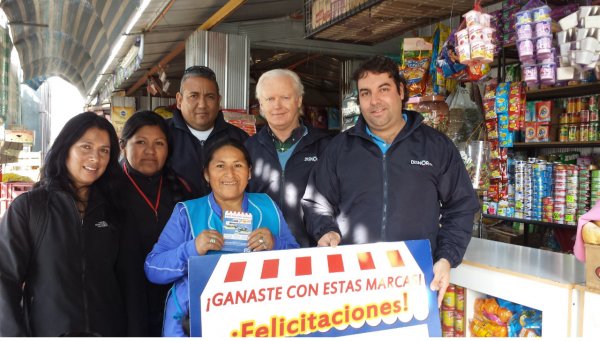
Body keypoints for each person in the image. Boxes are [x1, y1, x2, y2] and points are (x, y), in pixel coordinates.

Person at [301, 56, 480, 307]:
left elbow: (461, 206)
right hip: (352, 280)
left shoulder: (436, 147)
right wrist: (325, 230)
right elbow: (315, 201)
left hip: (414, 279)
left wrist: (446, 258)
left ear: (401, 91)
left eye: (383, 89)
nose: (374, 101)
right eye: (365, 93)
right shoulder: (339, 149)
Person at [145, 138, 299, 336]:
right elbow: (153, 268)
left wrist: (276, 244)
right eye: (220, 166)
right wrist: (192, 249)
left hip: (256, 323)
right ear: (206, 174)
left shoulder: (267, 206)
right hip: (192, 322)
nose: (230, 174)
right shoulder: (187, 212)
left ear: (249, 172)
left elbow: (297, 261)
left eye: (238, 165)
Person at [0, 112, 126, 336]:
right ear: (65, 148)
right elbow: (5, 279)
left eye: (104, 151)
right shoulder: (30, 208)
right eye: (86, 147)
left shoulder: (114, 210)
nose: (95, 158)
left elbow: (128, 281)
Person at [117, 111, 193, 336]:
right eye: (140, 142)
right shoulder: (106, 189)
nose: (150, 151)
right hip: (123, 301)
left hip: (171, 300)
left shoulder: (183, 189)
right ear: (123, 145)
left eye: (159, 143)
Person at [245, 69, 331, 247]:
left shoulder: (326, 146)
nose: (277, 106)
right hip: (261, 253)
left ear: (299, 100)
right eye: (269, 99)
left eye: (285, 97)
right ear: (261, 105)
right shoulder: (247, 149)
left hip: (315, 252)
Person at [168, 65, 249, 197]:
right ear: (179, 100)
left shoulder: (240, 139)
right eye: (193, 96)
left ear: (218, 101)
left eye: (210, 97)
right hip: (177, 217)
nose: (202, 105)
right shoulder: (162, 137)